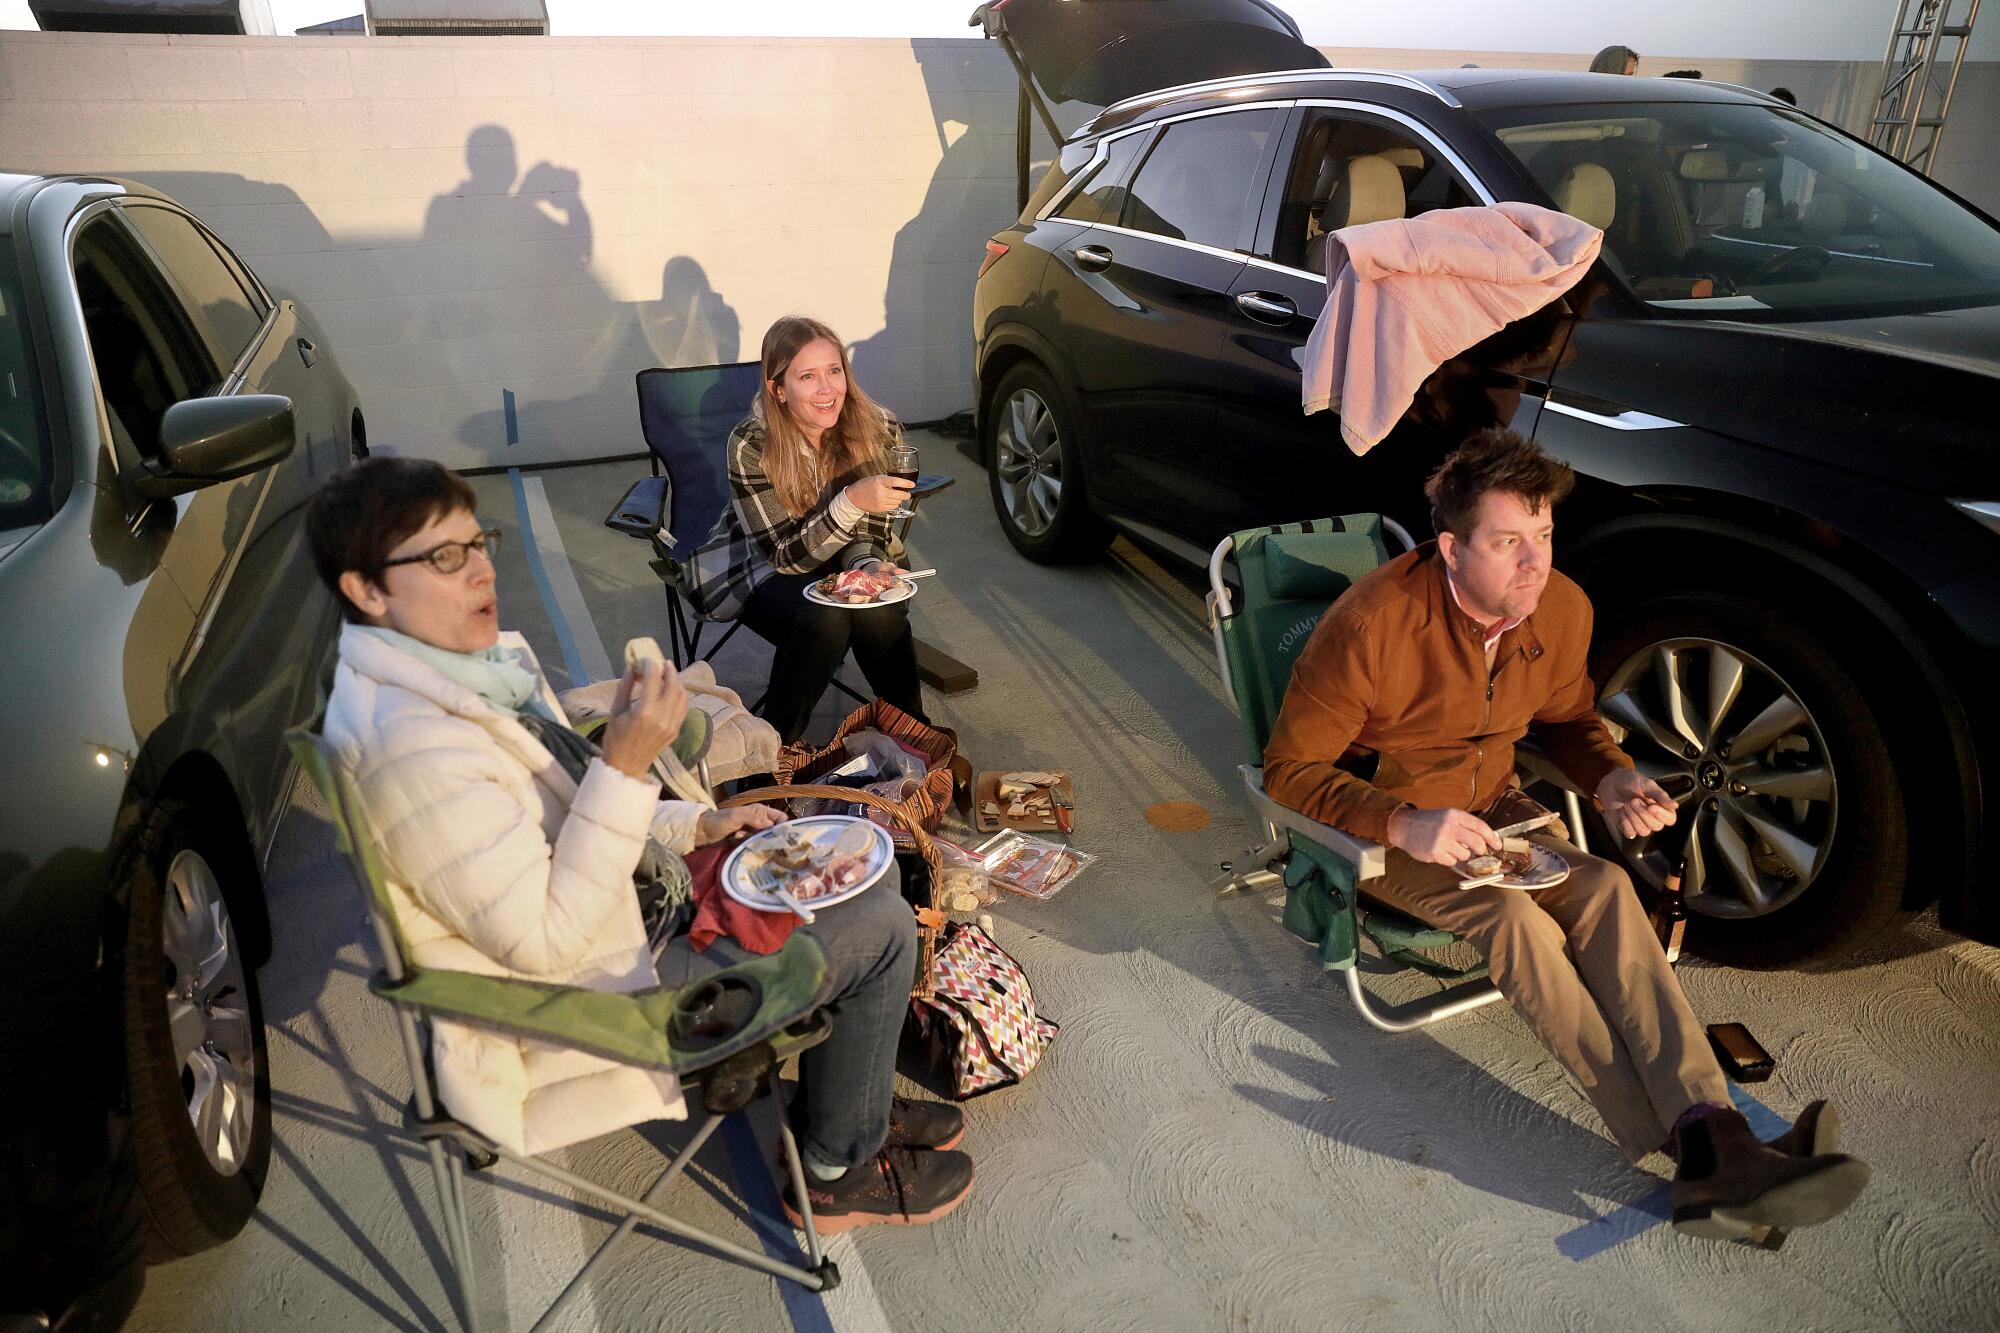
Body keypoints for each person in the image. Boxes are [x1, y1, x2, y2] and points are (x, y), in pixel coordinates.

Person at [307, 456, 974, 1233]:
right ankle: (834, 1170)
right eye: (446, 557)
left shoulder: (465, 670)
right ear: (366, 589)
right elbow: (550, 945)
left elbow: (566, 801)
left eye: (479, 541)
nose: (484, 569)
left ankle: (846, 1105)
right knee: (883, 928)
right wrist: (626, 766)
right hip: (585, 1000)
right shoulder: (414, 751)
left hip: (630, 905)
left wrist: (696, 824)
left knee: (862, 865)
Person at [1263, 429, 1871, 1239]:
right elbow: (1289, 771)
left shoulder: (1561, 606)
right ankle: (1693, 1152)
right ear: (1450, 547)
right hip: (1396, 831)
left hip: (1498, 814)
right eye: (1508, 541)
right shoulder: (1370, 627)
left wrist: (1612, 776)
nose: (1534, 561)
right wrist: (1403, 822)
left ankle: (1711, 1131)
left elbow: (1570, 721)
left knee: (1611, 888)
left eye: (1543, 535)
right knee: (1516, 925)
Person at [686, 315, 926, 745]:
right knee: (826, 616)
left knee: (878, 605)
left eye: (834, 371)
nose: (827, 389)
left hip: (843, 552)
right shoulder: (753, 443)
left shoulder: (879, 428)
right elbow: (785, 557)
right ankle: (773, 751)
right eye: (807, 376)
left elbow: (870, 531)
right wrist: (852, 499)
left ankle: (911, 734)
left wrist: (867, 565)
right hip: (764, 563)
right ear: (779, 390)